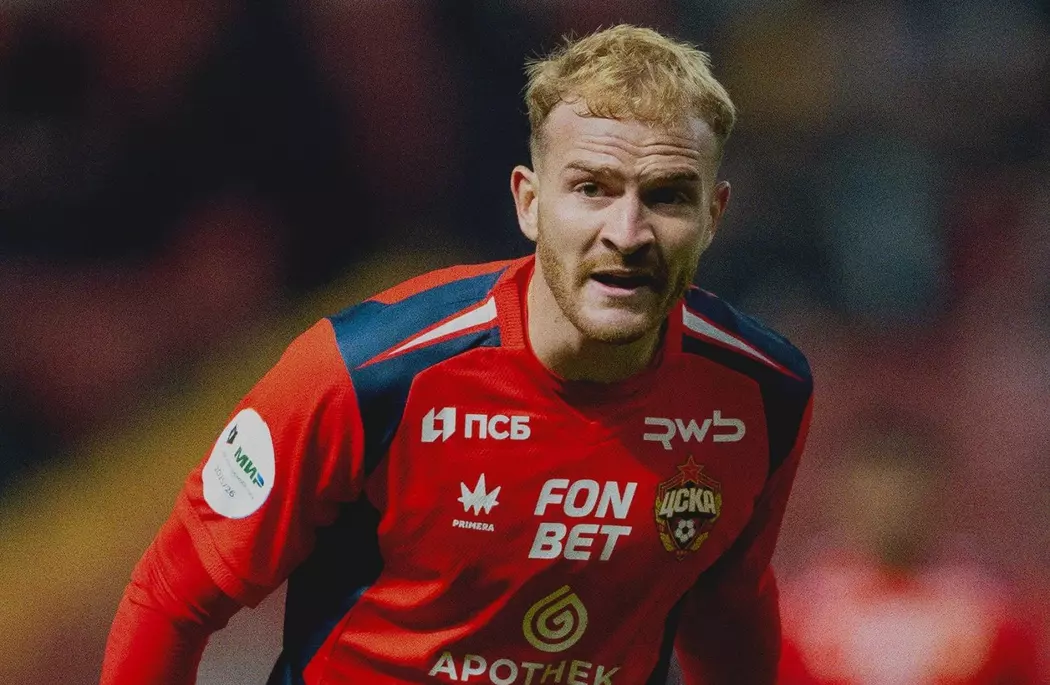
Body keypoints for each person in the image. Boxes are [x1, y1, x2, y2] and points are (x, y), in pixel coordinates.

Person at [100, 24, 813, 685]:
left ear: (713, 216)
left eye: (668, 197)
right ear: (529, 202)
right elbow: (171, 598)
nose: (627, 233)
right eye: (591, 189)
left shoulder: (765, 391)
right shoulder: (364, 372)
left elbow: (729, 608)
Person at [777, 413, 1044, 684]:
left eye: (907, 488)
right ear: (840, 496)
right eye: (877, 489)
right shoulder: (794, 620)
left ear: (941, 496)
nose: (893, 504)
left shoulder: (993, 619)